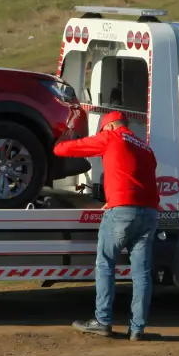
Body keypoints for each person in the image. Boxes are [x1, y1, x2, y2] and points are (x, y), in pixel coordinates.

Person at [54, 110, 160, 341]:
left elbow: (63, 150)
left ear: (109, 127)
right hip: (150, 213)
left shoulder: (112, 137)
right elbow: (136, 178)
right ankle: (138, 329)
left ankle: (103, 321)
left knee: (105, 265)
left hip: (122, 212)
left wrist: (64, 133)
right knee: (141, 274)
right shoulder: (146, 148)